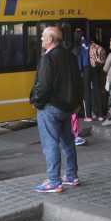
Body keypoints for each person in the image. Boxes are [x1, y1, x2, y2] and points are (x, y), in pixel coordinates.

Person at [29, 26, 81, 193]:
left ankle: (53, 181)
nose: (41, 39)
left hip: (50, 108)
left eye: (43, 36)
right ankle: (71, 176)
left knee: (50, 143)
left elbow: (43, 85)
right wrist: (76, 103)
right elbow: (78, 81)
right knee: (68, 142)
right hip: (67, 108)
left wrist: (36, 101)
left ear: (50, 39)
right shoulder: (70, 56)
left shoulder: (48, 58)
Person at [88, 36, 109, 122]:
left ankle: (93, 112)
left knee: (92, 92)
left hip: (90, 71)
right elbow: (104, 62)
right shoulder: (101, 48)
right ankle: (101, 114)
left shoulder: (88, 48)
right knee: (99, 92)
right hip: (100, 72)